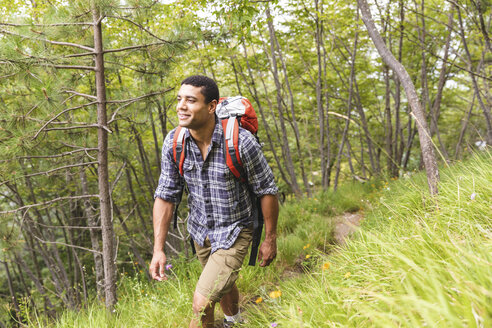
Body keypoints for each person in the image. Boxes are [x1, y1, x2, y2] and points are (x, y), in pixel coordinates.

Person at [149, 75, 279, 328]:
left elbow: (267, 190)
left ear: (211, 106)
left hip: (236, 230)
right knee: (222, 284)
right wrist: (158, 249)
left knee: (202, 303)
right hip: (201, 231)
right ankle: (235, 323)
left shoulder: (242, 142)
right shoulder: (174, 143)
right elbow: (165, 195)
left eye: (190, 100)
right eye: (179, 99)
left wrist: (270, 238)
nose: (181, 106)